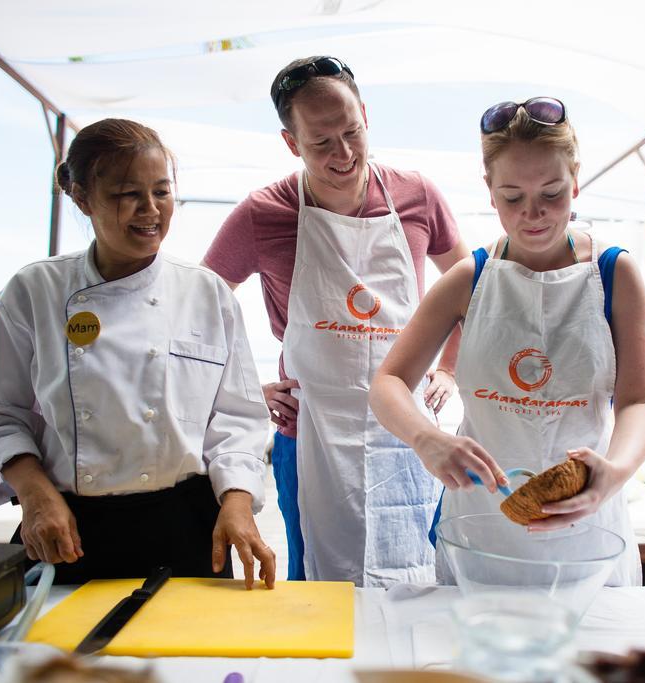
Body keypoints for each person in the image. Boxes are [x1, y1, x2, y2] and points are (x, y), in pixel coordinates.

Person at [0, 118, 276, 587]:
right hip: (69, 525)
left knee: (186, 659)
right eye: (126, 193)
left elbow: (238, 418)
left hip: (187, 525)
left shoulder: (205, 293)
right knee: (59, 657)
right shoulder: (37, 289)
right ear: (82, 198)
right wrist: (34, 494)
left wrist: (236, 502)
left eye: (162, 192)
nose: (150, 210)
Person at [369, 98, 645, 585]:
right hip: (480, 535)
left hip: (589, 532)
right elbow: (389, 381)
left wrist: (617, 469)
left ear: (576, 178)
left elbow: (642, 402)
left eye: (552, 192)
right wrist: (426, 438)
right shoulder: (471, 278)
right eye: (512, 197)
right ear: (489, 190)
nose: (534, 215)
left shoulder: (614, 274)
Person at [203, 56, 469, 587]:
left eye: (352, 132)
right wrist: (243, 389)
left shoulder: (417, 194)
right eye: (321, 141)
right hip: (308, 434)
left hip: (409, 429)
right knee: (318, 586)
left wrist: (450, 367)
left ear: (366, 115)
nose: (343, 154)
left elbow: (471, 285)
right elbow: (196, 308)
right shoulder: (264, 213)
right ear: (290, 141)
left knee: (423, 578)